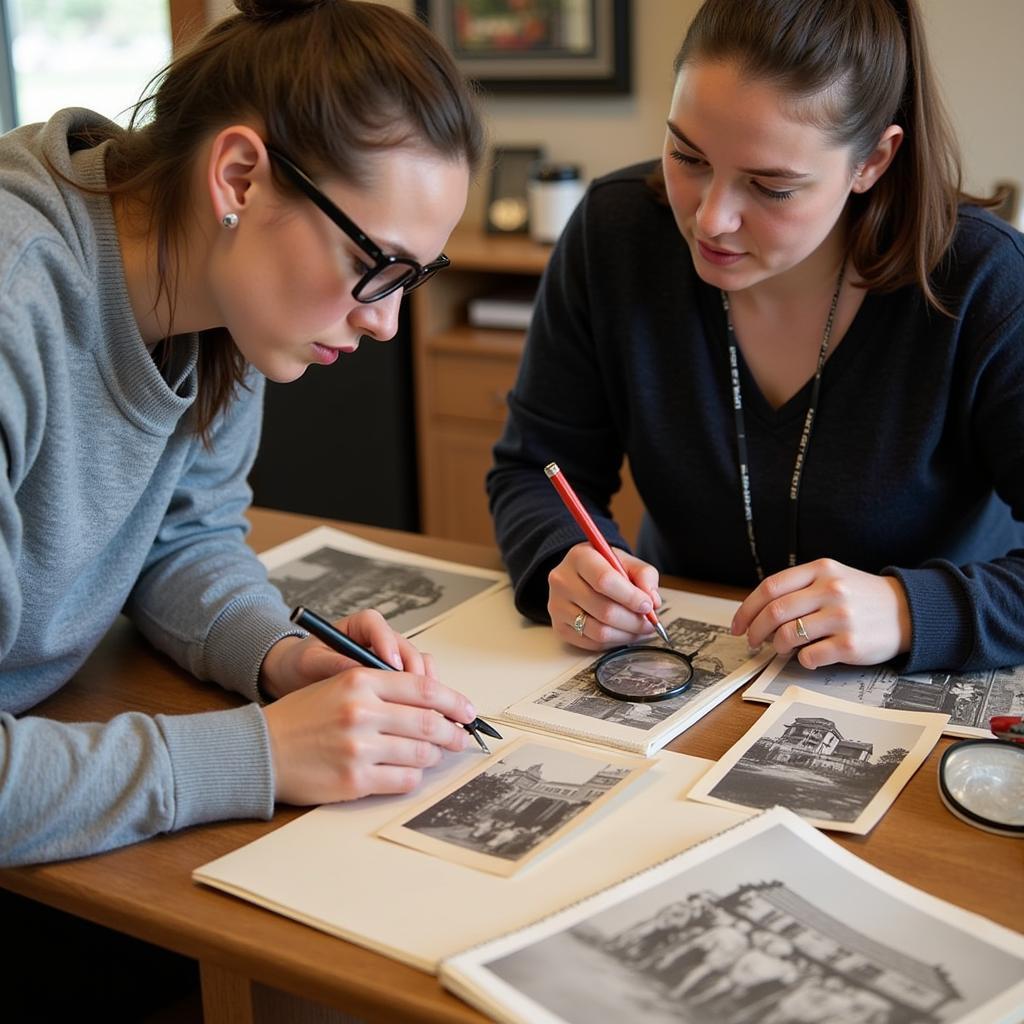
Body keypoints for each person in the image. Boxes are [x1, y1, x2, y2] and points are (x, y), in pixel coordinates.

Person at [0, 0, 485, 869]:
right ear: (238, 178)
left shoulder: (215, 305)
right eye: (376, 265)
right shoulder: (13, 304)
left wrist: (283, 658)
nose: (388, 326)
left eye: (416, 276)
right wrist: (262, 753)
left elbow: (182, 540)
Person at [487, 0, 1024, 675]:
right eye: (687, 155)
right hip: (682, 669)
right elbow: (536, 467)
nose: (712, 219)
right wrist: (563, 557)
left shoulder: (984, 282)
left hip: (912, 692)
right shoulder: (613, 235)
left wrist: (909, 610)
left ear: (874, 162)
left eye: (771, 187)